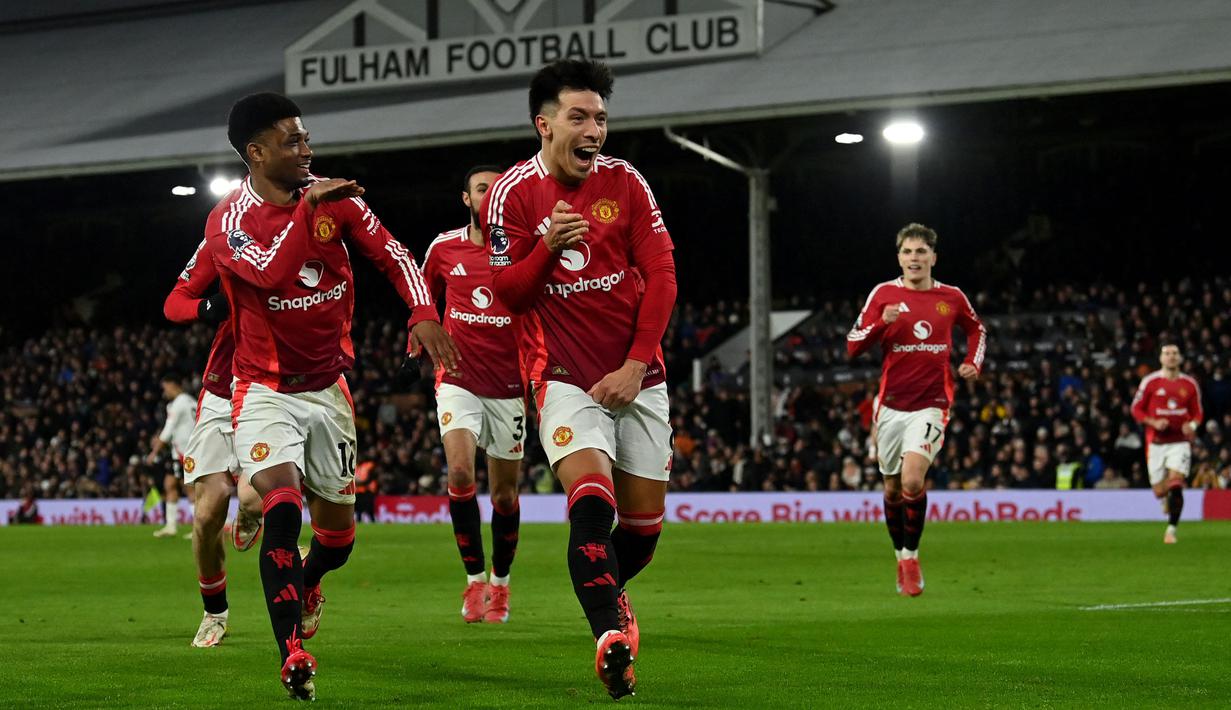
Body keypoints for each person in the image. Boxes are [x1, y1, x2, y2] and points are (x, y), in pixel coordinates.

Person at [203, 92, 457, 700]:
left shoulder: (332, 201)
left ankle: (311, 580)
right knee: (285, 507)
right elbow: (267, 274)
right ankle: (291, 651)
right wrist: (303, 213)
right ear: (257, 153)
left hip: (329, 391)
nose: (307, 148)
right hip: (263, 389)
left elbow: (393, 253)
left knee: (337, 541)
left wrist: (422, 311)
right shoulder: (228, 221)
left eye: (306, 136)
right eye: (292, 141)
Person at [483, 59, 677, 699]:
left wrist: (635, 363)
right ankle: (609, 639)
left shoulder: (626, 183)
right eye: (579, 117)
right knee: (592, 502)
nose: (594, 128)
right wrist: (545, 249)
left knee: (642, 535)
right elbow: (508, 294)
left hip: (638, 375)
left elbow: (663, 275)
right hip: (562, 374)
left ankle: (610, 595)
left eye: (601, 118)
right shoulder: (512, 194)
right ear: (545, 125)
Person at [846, 223, 986, 597]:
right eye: (908, 252)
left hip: (933, 405)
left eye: (921, 252)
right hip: (891, 407)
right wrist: (880, 323)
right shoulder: (884, 294)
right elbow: (852, 345)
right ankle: (898, 554)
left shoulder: (951, 297)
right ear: (899, 257)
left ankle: (911, 557)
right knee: (892, 489)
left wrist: (974, 362)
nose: (914, 259)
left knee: (911, 481)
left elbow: (977, 329)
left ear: (933, 257)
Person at [422, 165, 526, 624]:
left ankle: (501, 586)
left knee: (504, 497)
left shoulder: (525, 249)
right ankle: (473, 583)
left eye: (497, 188)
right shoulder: (445, 247)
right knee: (461, 472)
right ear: (466, 198)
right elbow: (422, 292)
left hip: (509, 387)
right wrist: (419, 325)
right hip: (458, 379)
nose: (491, 195)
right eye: (482, 188)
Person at [163, 242, 265, 648]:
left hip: (270, 390)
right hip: (222, 392)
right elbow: (174, 303)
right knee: (206, 517)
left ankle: (252, 515)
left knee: (255, 499)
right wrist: (207, 307)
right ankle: (214, 612)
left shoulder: (306, 228)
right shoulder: (226, 233)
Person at [1130, 343, 1203, 544]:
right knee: (1159, 490)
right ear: (1161, 359)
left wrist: (1193, 426)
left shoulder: (1189, 384)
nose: (1171, 357)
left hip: (1180, 442)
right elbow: (1136, 409)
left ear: (1180, 358)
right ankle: (1164, 499)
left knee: (1176, 483)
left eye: (1175, 353)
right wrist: (1153, 422)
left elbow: (1197, 413)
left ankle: (1171, 530)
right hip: (1156, 443)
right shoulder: (1150, 382)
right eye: (1167, 353)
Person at [146, 373, 196, 538]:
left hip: (185, 452)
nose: (164, 392)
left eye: (165, 387)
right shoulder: (190, 401)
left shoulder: (179, 403)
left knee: (189, 489)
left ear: (172, 384)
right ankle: (171, 526)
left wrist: (154, 452)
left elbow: (168, 431)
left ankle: (199, 528)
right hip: (182, 452)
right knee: (170, 484)